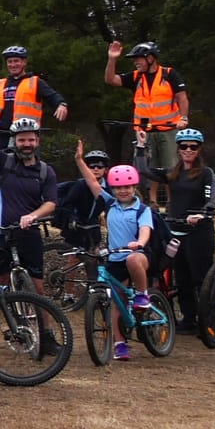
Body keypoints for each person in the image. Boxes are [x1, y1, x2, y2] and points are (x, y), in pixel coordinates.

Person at [74, 148, 155, 360]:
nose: (123, 191)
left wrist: (139, 243)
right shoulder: (110, 204)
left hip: (138, 256)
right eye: (118, 188)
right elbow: (92, 182)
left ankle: (142, 294)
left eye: (127, 187)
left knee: (132, 259)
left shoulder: (142, 210)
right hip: (114, 258)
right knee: (116, 301)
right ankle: (119, 343)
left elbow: (146, 230)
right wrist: (79, 160)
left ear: (134, 187)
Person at [0, 116, 60, 288]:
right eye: (22, 140)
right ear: (14, 141)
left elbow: (51, 203)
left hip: (28, 232)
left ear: (37, 141)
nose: (27, 144)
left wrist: (33, 216)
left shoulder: (45, 171)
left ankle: (41, 315)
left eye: (31, 139)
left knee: (38, 287)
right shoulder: (4, 161)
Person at [146, 128, 215, 333]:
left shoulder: (205, 173)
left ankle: (209, 321)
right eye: (184, 146)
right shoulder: (172, 173)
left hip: (199, 232)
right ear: (178, 149)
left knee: (201, 279)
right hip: (176, 231)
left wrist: (204, 213)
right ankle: (188, 319)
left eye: (193, 146)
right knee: (182, 279)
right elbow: (144, 171)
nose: (188, 150)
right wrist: (141, 147)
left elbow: (210, 198)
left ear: (199, 149)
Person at [104, 41, 189, 185]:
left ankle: (172, 202)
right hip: (144, 132)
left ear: (150, 58)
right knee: (144, 169)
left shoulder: (169, 74)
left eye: (139, 58)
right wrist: (112, 58)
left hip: (168, 130)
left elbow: (182, 97)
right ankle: (150, 202)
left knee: (172, 169)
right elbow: (110, 79)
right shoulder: (136, 76)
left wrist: (184, 118)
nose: (136, 62)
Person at [0, 45, 70, 137]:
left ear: (24, 62)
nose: (13, 65)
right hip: (1, 134)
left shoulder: (35, 82)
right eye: (10, 62)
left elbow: (52, 96)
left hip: (26, 134)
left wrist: (61, 104)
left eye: (16, 61)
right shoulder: (0, 84)